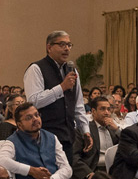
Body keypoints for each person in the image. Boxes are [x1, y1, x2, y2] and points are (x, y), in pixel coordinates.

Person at [23, 31, 92, 167]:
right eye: (62, 44)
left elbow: (78, 105)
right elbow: (33, 101)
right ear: (49, 47)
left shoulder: (72, 71)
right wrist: (61, 87)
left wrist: (85, 130)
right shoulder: (36, 69)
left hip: (67, 136)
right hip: (43, 137)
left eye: (69, 45)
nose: (66, 48)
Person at [0, 103, 71, 179]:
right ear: (19, 124)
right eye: (29, 118)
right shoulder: (12, 142)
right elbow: (0, 160)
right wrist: (31, 170)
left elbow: (67, 168)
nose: (35, 119)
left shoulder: (52, 137)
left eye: (37, 115)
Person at [70, 97, 119, 179]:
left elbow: (125, 149)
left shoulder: (113, 130)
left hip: (112, 172)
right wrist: (88, 174)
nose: (106, 113)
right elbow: (74, 157)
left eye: (108, 109)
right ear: (93, 111)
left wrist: (117, 130)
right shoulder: (84, 130)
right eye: (102, 109)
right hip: (93, 169)